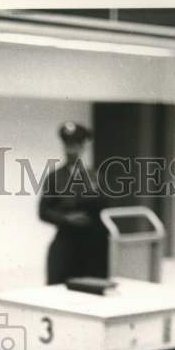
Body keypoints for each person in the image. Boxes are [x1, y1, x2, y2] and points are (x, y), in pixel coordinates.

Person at [39, 122, 109, 284]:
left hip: (93, 245)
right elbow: (43, 211)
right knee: (58, 289)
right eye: (68, 145)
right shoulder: (55, 177)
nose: (71, 150)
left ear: (83, 147)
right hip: (66, 241)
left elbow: (106, 203)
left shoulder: (95, 176)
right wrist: (66, 218)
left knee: (93, 292)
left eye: (75, 145)